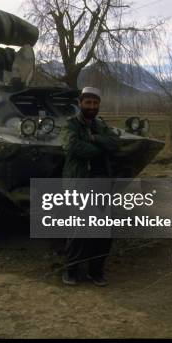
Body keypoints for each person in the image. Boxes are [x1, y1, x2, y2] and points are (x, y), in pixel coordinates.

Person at [61, 87, 119, 287]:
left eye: (95, 103)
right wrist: (98, 149)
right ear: (80, 103)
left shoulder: (101, 125)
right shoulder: (71, 124)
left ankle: (96, 271)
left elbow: (113, 144)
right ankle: (71, 270)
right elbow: (72, 146)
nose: (92, 107)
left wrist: (94, 139)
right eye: (88, 103)